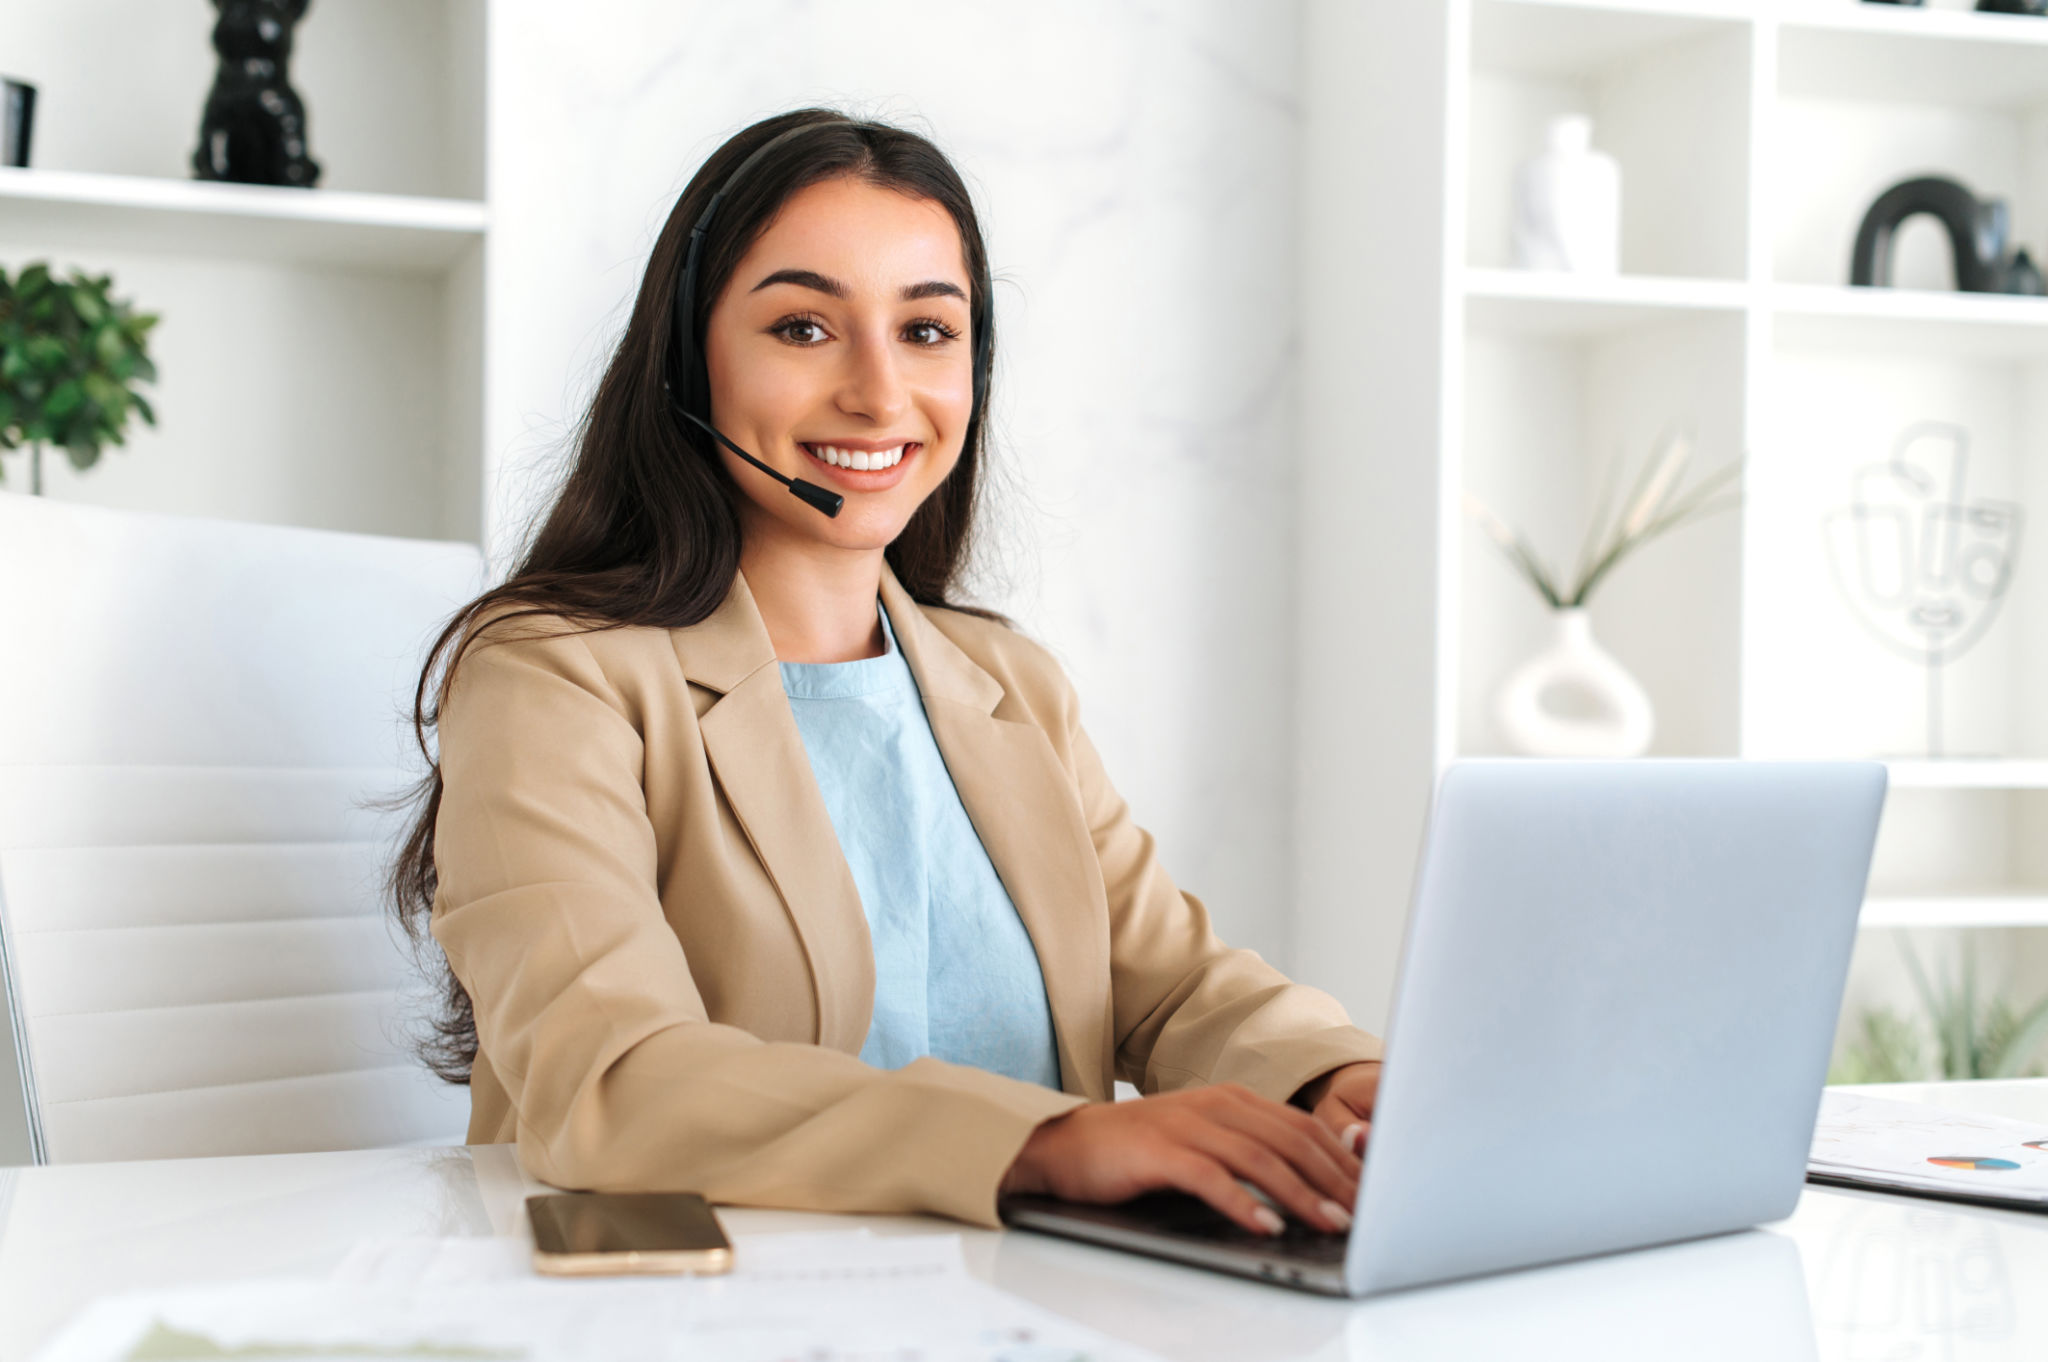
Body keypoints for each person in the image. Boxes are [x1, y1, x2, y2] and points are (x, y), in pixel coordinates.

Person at [390, 108, 1383, 1238]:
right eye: (805, 328)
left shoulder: (1005, 681)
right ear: (687, 359)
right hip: (695, 1312)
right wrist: (1040, 1143)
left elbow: (1172, 981)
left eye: (925, 332)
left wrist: (1336, 1083)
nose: (877, 391)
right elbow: (611, 1081)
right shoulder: (552, 676)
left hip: (1019, 1301)